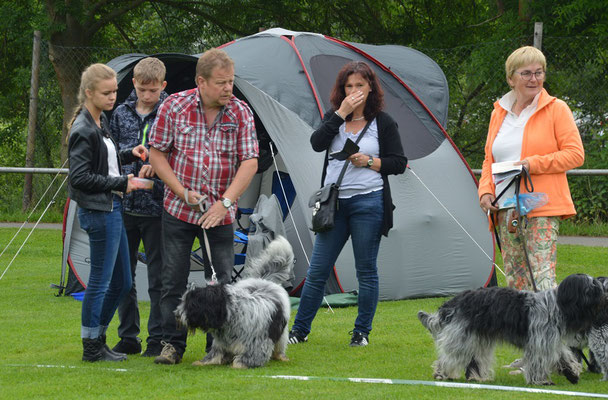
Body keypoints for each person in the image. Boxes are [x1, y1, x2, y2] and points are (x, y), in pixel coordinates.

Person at [148, 48, 258, 365]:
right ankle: (172, 345)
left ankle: (218, 348)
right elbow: (157, 154)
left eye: (231, 82)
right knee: (173, 281)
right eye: (221, 83)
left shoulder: (240, 112)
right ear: (201, 81)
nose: (228, 88)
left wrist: (224, 203)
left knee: (221, 283)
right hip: (179, 211)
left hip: (219, 215)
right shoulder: (174, 106)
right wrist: (181, 191)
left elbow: (249, 162)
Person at [288, 61, 407, 347]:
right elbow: (317, 143)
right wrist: (340, 114)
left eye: (360, 86)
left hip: (369, 202)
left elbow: (399, 163)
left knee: (366, 269)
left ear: (371, 89)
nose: (354, 91)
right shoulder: (334, 117)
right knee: (317, 270)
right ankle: (299, 331)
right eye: (348, 86)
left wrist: (368, 161)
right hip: (335, 204)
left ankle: (361, 332)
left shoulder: (383, 122)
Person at [478, 46, 584, 291]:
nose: (534, 79)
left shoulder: (557, 109)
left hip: (541, 206)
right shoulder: (498, 113)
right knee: (516, 283)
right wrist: (484, 192)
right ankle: (522, 331)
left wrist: (532, 163)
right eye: (526, 73)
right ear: (510, 78)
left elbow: (575, 154)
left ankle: (550, 330)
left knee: (542, 280)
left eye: (539, 72)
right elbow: (488, 160)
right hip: (504, 208)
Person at [67, 63, 147, 362]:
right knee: (100, 282)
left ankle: (98, 337)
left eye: (115, 91)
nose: (113, 97)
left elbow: (106, 161)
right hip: (100, 211)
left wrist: (129, 153)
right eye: (106, 92)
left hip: (112, 207)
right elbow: (80, 177)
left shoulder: (100, 122)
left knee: (123, 283)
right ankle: (92, 346)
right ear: (89, 92)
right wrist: (122, 183)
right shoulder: (83, 129)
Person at [109, 57, 168, 357]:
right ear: (133, 83)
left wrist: (157, 167)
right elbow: (109, 155)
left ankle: (157, 338)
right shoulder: (119, 113)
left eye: (153, 90)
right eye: (143, 89)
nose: (147, 95)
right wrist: (127, 153)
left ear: (163, 86)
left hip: (158, 209)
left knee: (158, 278)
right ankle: (128, 336)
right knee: (123, 276)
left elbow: (178, 154)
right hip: (124, 205)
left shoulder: (171, 113)